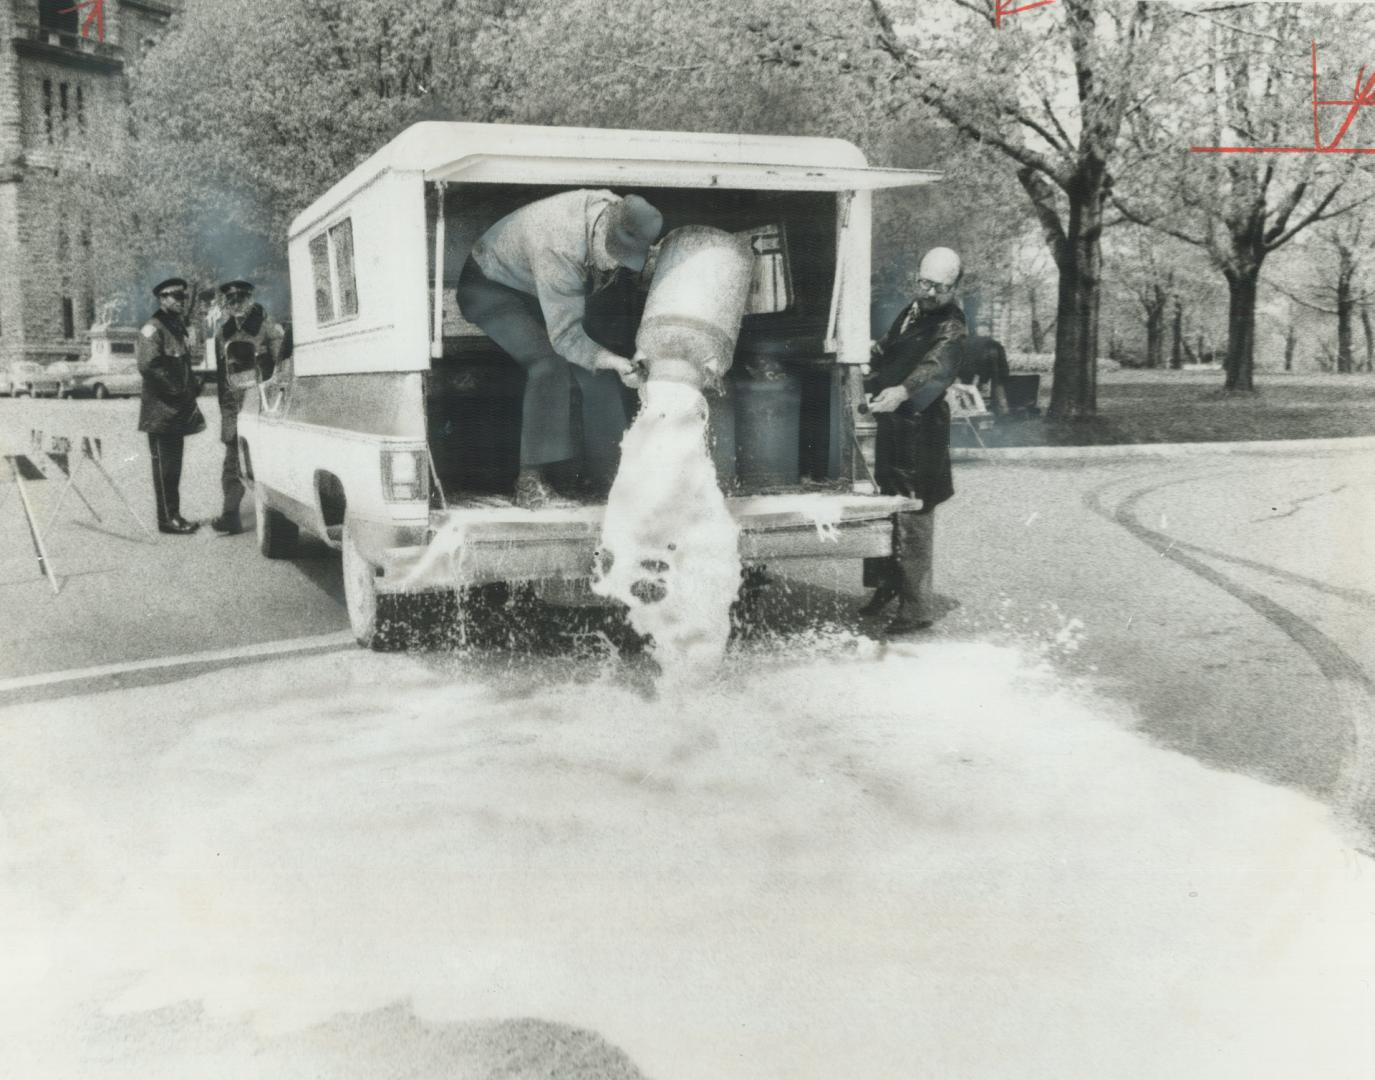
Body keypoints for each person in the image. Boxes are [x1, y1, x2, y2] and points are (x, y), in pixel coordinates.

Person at [456, 189, 663, 509]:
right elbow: (565, 338)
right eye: (612, 254)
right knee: (548, 364)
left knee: (600, 374)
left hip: (535, 288)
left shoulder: (619, 212)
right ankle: (529, 484)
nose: (613, 266)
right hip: (489, 285)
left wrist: (623, 358)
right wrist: (612, 359)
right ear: (599, 229)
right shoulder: (557, 244)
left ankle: (615, 479)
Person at [860, 247, 968, 634]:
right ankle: (886, 587)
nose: (929, 292)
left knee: (915, 512)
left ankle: (917, 605)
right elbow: (892, 345)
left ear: (955, 287)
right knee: (886, 505)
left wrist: (903, 391)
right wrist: (872, 351)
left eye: (939, 287)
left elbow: (936, 367)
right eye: (924, 283)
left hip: (921, 428)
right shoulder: (913, 310)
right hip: (895, 424)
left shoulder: (952, 327)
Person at [211, 279, 286, 534]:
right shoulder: (223, 333)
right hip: (234, 404)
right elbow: (222, 375)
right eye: (231, 300)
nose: (236, 304)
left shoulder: (268, 328)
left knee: (267, 458)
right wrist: (225, 409)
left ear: (251, 299)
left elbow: (281, 367)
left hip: (261, 402)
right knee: (231, 462)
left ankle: (277, 515)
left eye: (241, 298)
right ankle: (230, 515)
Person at [137, 277, 207, 535]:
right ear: (162, 299)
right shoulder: (152, 329)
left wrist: (192, 386)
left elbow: (179, 366)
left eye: (182, 298)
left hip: (174, 410)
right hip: (161, 411)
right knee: (165, 468)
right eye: (175, 297)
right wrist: (177, 389)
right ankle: (167, 519)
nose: (180, 302)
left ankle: (173, 515)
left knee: (173, 467)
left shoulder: (175, 328)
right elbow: (148, 366)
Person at [958, 333, 1011, 416]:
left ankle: (974, 408)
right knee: (998, 381)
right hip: (994, 351)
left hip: (983, 355)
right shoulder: (977, 341)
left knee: (969, 385)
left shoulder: (963, 345)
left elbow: (966, 376)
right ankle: (1004, 410)